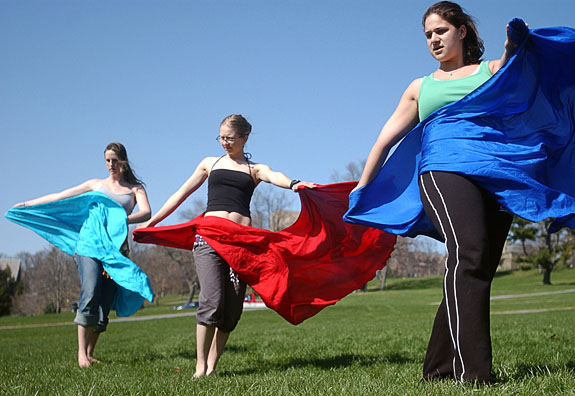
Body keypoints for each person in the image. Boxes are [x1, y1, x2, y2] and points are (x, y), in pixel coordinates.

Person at [352, 2, 518, 384]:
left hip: (493, 173)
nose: (433, 39)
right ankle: (474, 374)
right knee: (469, 254)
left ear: (462, 31)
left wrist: (515, 44)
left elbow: (514, 64)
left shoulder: (489, 71)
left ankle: (438, 368)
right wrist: (363, 186)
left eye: (440, 30)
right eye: (428, 34)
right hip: (442, 170)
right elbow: (385, 139)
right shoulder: (420, 87)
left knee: (476, 269)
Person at [138, 114, 316, 378]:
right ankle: (200, 367)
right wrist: (153, 221)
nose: (224, 142)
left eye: (230, 138)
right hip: (209, 237)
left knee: (232, 308)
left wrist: (293, 184)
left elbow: (273, 175)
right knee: (212, 300)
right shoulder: (210, 163)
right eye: (221, 137)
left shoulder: (254, 169)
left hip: (241, 244)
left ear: (244, 138)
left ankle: (212, 366)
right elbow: (181, 193)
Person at [11, 142, 151, 368]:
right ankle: (81, 355)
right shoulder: (95, 184)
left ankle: (90, 352)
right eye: (107, 160)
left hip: (115, 250)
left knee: (105, 303)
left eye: (115, 160)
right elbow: (61, 196)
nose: (111, 165)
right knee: (91, 291)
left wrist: (120, 219)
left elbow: (146, 212)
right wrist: (28, 203)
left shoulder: (134, 189)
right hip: (88, 245)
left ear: (123, 160)